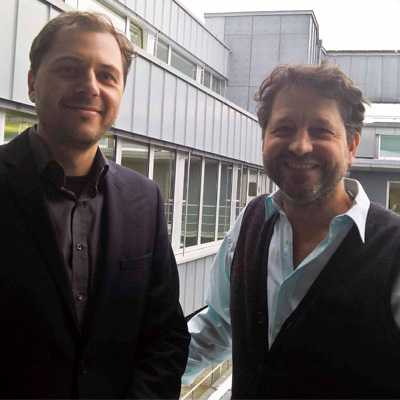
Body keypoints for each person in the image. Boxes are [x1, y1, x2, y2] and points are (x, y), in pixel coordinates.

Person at [0, 11, 189, 399]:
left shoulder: (145, 198)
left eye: (107, 76)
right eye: (69, 69)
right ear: (33, 84)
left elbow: (165, 335)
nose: (90, 87)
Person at [183, 62, 400, 398]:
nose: (300, 146)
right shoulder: (250, 223)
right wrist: (141, 378)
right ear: (264, 139)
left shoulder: (394, 250)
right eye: (283, 128)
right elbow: (220, 325)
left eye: (321, 131)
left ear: (352, 147)